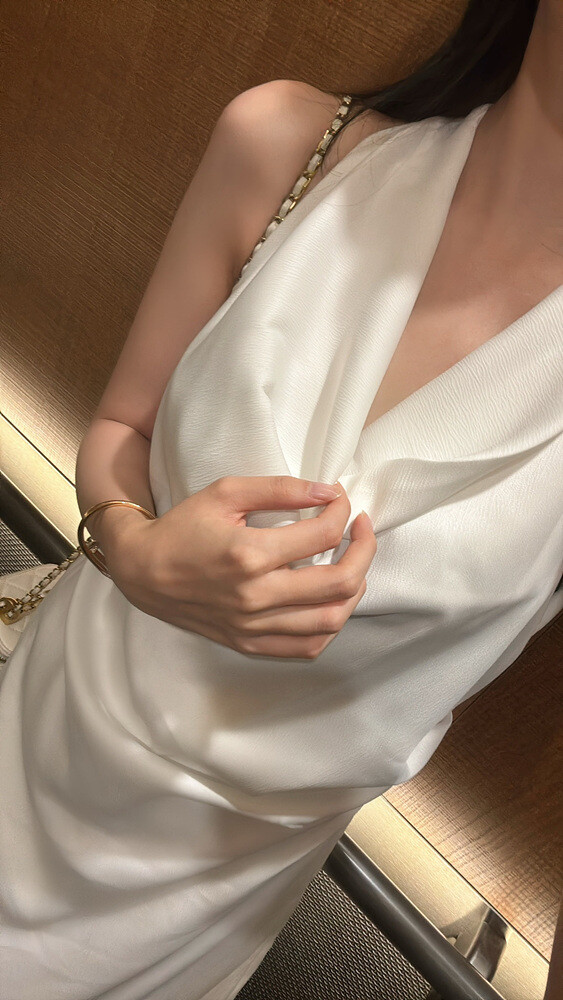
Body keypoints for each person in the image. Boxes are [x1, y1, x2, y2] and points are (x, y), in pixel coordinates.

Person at [1, 0, 562, 997]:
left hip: (201, 896)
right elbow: (123, 426)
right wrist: (135, 549)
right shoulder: (288, 145)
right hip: (46, 723)